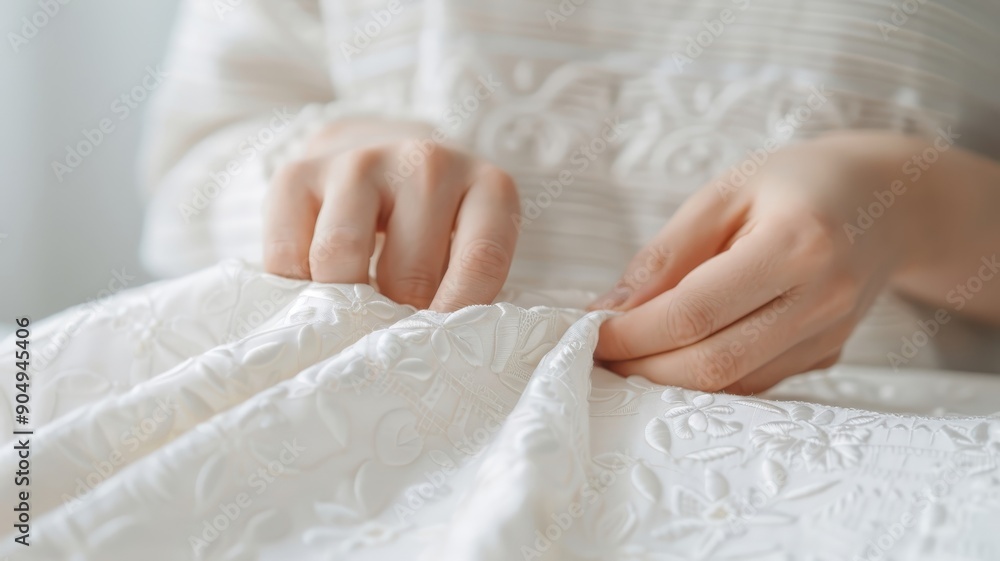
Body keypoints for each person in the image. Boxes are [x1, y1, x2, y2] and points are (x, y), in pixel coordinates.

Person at [140, 0, 1000, 394]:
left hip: (879, 466)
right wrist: (325, 167)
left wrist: (911, 207)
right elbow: (185, 184)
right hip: (360, 452)